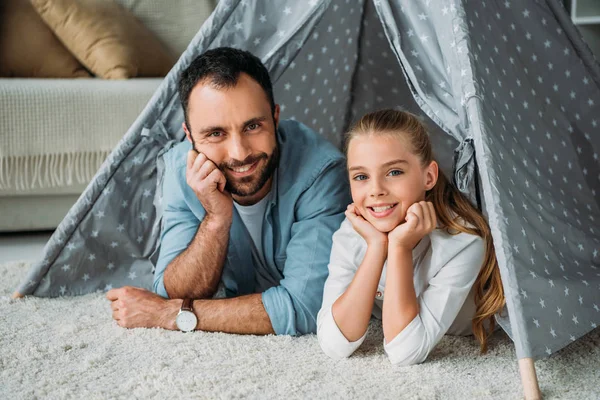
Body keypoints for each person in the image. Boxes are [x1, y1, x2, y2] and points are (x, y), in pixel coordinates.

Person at [106, 47, 351, 336]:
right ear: (190, 136)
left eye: (252, 126)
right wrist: (216, 220)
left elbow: (306, 308)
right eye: (215, 134)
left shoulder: (321, 173)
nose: (240, 153)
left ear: (275, 117)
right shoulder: (180, 168)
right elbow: (173, 288)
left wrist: (169, 314)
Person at [317, 109, 505, 365]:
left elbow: (405, 351)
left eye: (394, 172)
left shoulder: (463, 241)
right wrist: (376, 247)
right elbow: (334, 344)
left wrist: (400, 248)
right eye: (361, 176)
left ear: (428, 177)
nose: (376, 190)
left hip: (459, 330)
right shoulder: (354, 232)